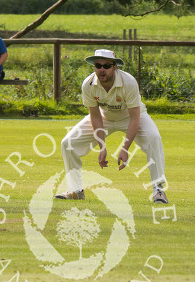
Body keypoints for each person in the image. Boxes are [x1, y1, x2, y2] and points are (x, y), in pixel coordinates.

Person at [54, 49, 168, 204]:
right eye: (98, 65)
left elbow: (135, 117)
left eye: (107, 65)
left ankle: (158, 190)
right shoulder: (88, 84)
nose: (102, 69)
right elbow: (95, 115)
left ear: (115, 67)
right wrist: (102, 146)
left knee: (154, 138)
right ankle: (75, 190)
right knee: (68, 143)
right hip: (105, 117)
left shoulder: (128, 82)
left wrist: (125, 148)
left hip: (131, 116)